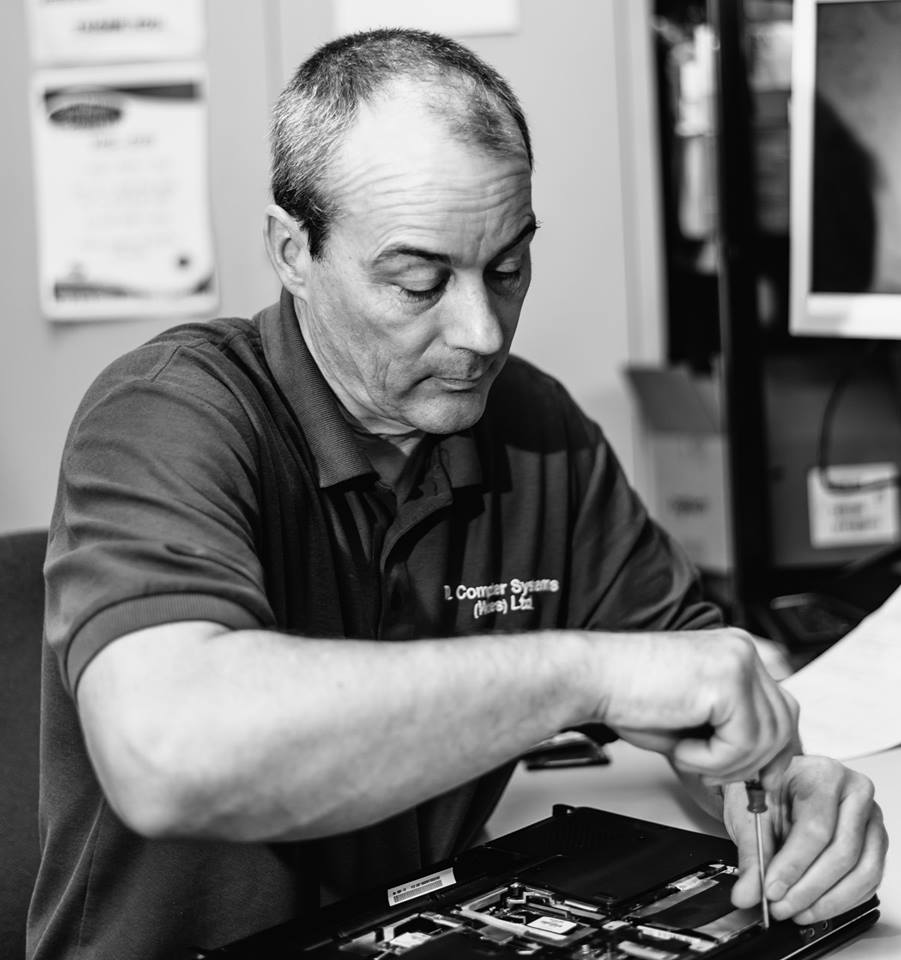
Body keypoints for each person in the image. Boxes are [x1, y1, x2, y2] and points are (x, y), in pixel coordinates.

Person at [27, 28, 885, 960]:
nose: (480, 333)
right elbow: (166, 754)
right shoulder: (169, 410)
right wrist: (584, 673)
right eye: (417, 281)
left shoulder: (531, 429)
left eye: (507, 268)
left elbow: (698, 687)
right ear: (291, 251)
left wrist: (778, 786)